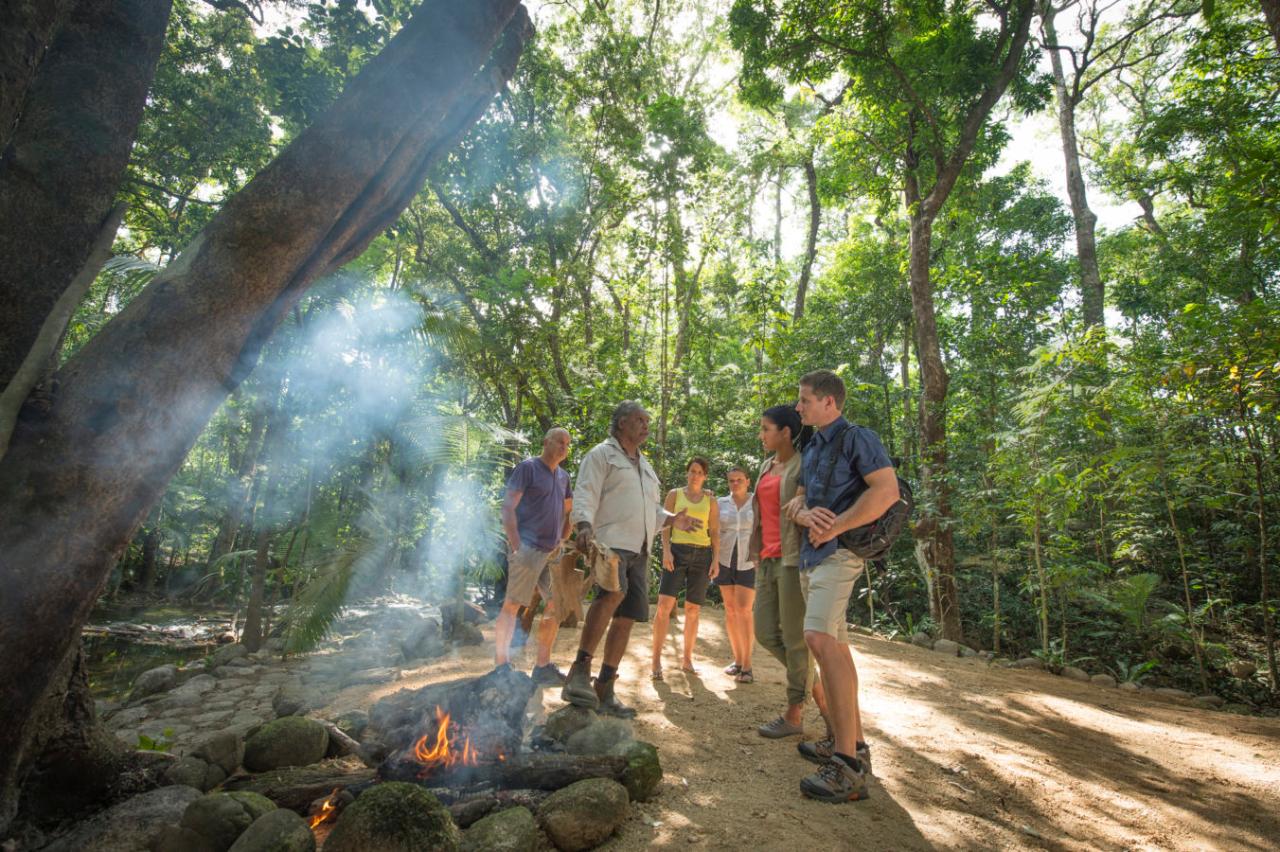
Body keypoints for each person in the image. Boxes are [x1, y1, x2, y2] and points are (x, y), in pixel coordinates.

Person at [785, 369, 899, 803]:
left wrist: (837, 527)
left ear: (830, 402)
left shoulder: (858, 437)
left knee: (816, 638)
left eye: (806, 400)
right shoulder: (812, 445)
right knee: (836, 646)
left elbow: (886, 491)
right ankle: (853, 745)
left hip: (839, 554)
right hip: (812, 557)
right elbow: (797, 501)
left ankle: (847, 766)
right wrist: (803, 515)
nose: (799, 407)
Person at [565, 401, 702, 717]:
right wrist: (583, 526)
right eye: (640, 420)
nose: (646, 425)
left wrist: (672, 519)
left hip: (640, 548)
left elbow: (651, 511)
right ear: (621, 423)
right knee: (611, 595)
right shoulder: (602, 455)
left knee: (627, 615)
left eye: (647, 421)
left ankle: (605, 686)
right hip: (611, 544)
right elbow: (585, 494)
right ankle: (579, 672)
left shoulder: (645, 466)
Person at [750, 405, 830, 736]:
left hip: (792, 559)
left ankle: (794, 712)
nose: (761, 435)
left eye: (766, 429)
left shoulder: (803, 465)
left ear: (785, 432)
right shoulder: (767, 465)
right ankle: (819, 690)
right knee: (765, 633)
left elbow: (805, 507)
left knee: (797, 641)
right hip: (766, 560)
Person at [495, 428, 574, 685]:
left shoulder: (563, 477)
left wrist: (563, 539)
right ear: (545, 442)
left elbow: (569, 511)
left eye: (567, 444)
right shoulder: (528, 468)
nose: (563, 447)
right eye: (559, 442)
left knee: (554, 605)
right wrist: (517, 545)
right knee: (513, 604)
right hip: (527, 549)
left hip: (552, 553)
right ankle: (501, 666)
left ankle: (542, 666)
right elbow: (508, 507)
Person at [651, 457, 720, 680]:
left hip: (702, 554)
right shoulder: (674, 495)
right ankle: (656, 662)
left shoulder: (711, 500)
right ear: (687, 473)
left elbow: (715, 531)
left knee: (693, 609)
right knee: (663, 607)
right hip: (677, 552)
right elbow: (664, 523)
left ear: (705, 476)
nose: (695, 475)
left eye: (700, 472)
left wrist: (716, 559)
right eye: (692, 471)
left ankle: (687, 659)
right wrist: (667, 551)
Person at [714, 465, 755, 682]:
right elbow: (714, 531)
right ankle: (737, 660)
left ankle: (747, 666)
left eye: (739, 479)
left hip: (749, 561)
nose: (735, 484)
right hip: (725, 559)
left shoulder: (757, 501)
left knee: (744, 610)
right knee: (730, 610)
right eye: (731, 480)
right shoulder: (720, 503)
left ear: (748, 481)